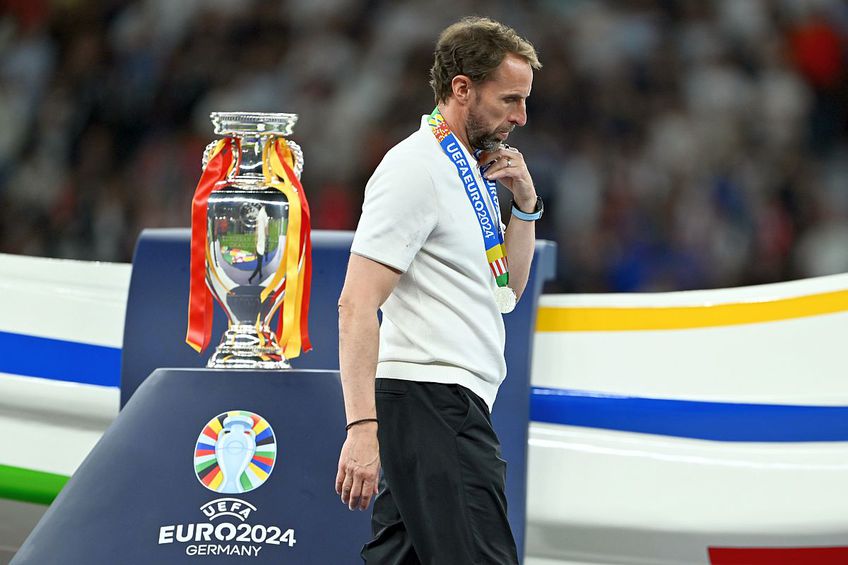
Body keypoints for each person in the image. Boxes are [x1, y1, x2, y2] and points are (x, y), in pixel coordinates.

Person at [335, 16, 543, 564]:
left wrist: (524, 204)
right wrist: (361, 427)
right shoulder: (415, 168)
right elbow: (357, 302)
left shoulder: (469, 173)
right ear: (461, 88)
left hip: (444, 400)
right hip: (433, 402)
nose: (521, 117)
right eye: (511, 100)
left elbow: (509, 291)